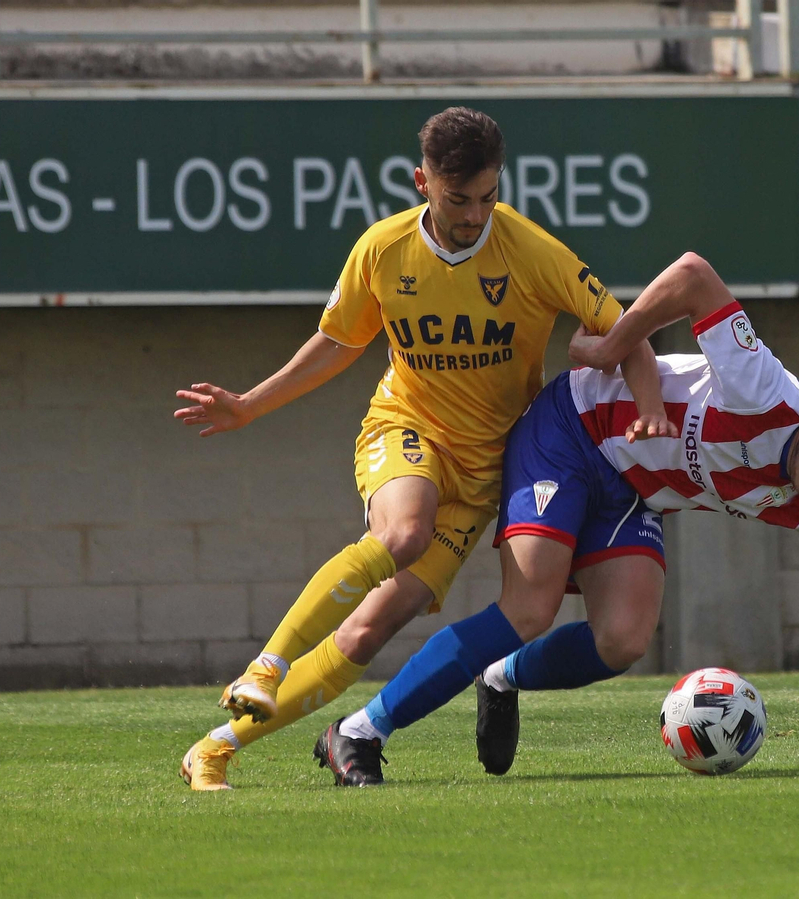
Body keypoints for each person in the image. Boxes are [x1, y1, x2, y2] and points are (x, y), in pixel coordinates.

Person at [311, 251, 799, 787]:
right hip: (571, 429)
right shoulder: (767, 390)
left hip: (630, 488)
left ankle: (502, 677)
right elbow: (695, 274)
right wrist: (617, 345)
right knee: (530, 606)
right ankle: (361, 731)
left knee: (623, 639)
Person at [175, 107, 672, 791]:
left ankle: (215, 748)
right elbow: (338, 343)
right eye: (458, 198)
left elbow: (628, 331)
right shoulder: (383, 250)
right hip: (405, 429)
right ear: (422, 183)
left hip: (483, 473)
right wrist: (250, 404)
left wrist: (649, 407)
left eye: (489, 197)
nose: (475, 214)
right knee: (404, 531)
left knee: (364, 634)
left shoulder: (532, 252)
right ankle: (268, 664)